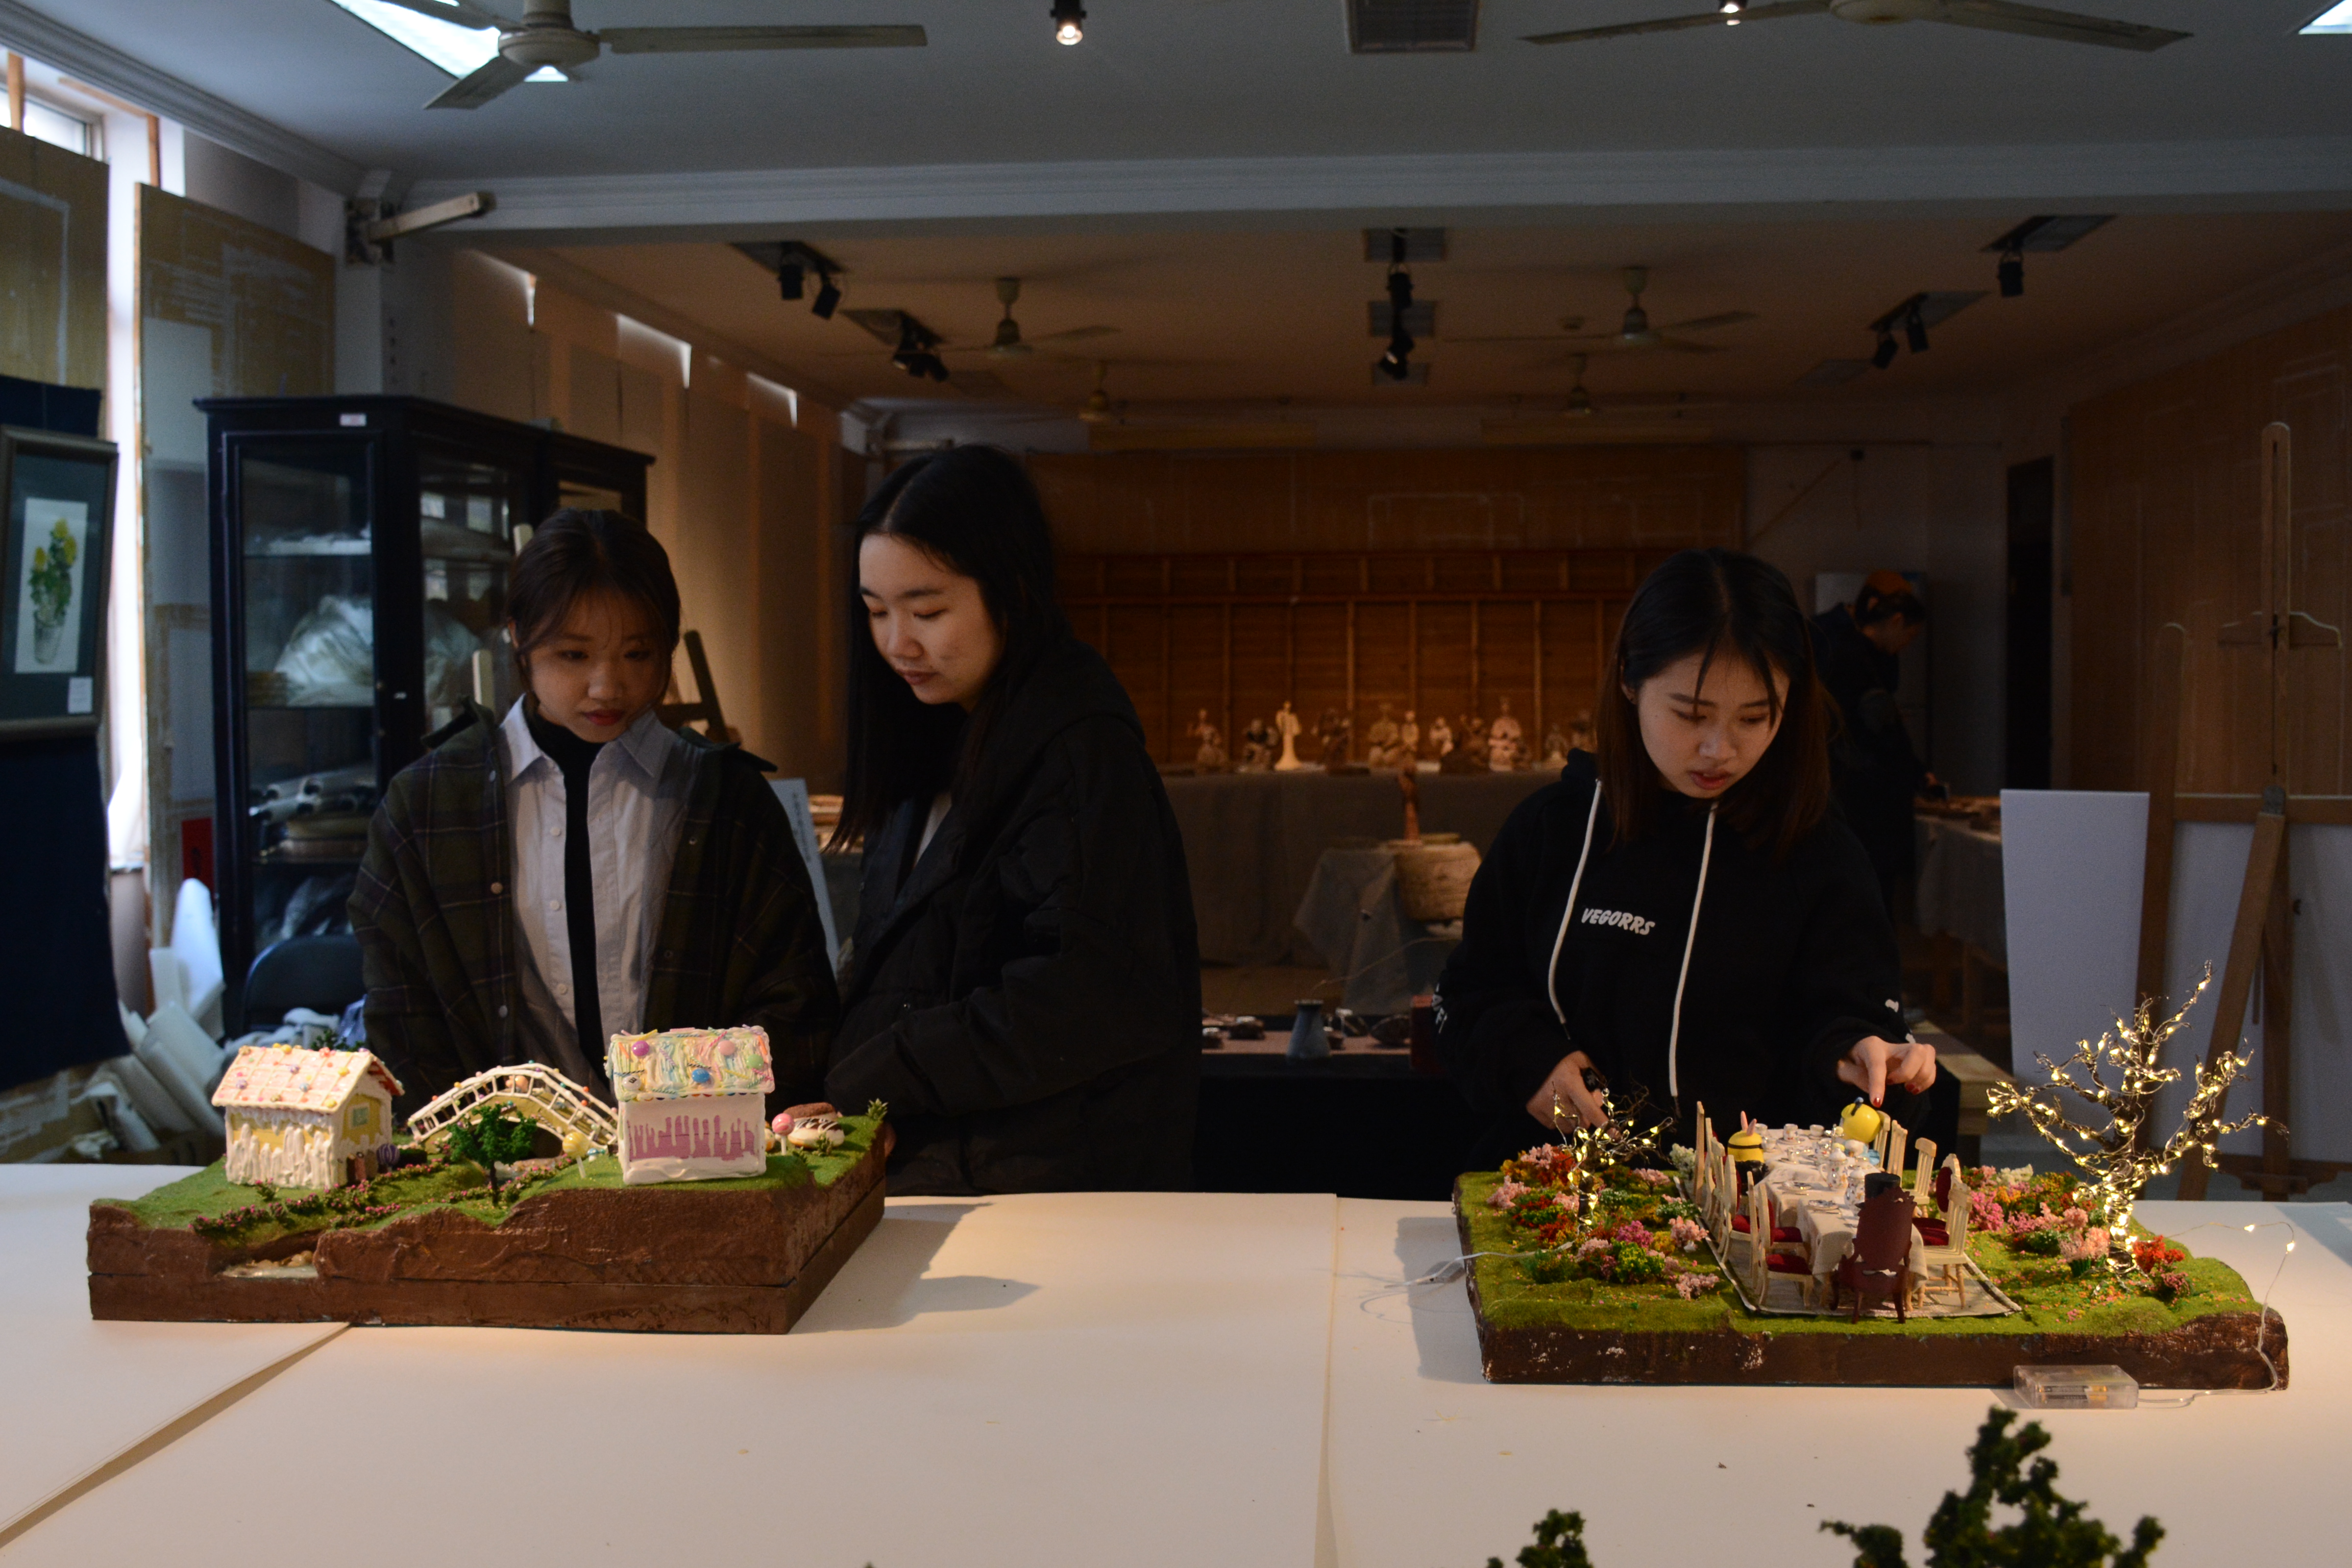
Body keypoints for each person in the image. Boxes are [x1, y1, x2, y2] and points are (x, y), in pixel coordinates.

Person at [1431, 548, 1948, 1157]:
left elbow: (1849, 1024)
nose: (1718, 749)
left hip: (1742, 1198)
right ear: (1629, 680)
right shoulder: (1553, 830)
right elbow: (1467, 998)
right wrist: (1530, 1060)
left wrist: (1864, 1058)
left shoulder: (1820, 855)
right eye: (1690, 714)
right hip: (1550, 1183)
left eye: (1754, 718)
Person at [350, 510, 839, 1112]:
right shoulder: (429, 806)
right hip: (497, 1155)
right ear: (519, 638)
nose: (607, 686)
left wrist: (681, 1105)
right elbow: (403, 1018)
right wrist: (480, 1137)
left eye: (638, 654)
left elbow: (794, 999)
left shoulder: (725, 798)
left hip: (696, 1149)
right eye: (574, 655)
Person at [817, 446, 1201, 1194]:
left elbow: (1090, 994)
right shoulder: (934, 735)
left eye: (928, 612)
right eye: (876, 611)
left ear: (1013, 591)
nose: (897, 643)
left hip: (1046, 1187)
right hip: (951, 1168)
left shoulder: (1079, 753)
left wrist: (886, 1070)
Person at [1811, 570, 1934, 920]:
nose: (1907, 644)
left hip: (1850, 785)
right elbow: (1883, 736)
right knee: (1870, 892)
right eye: (1909, 635)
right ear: (1896, 621)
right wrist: (1917, 774)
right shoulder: (1850, 655)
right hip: (1863, 793)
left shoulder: (1865, 654)